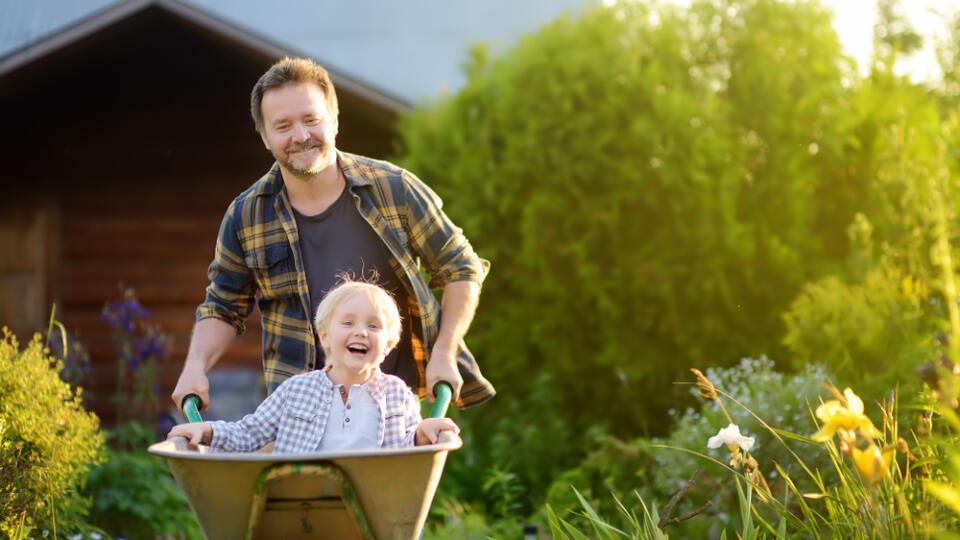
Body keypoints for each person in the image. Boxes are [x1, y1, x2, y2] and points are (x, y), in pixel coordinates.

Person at [170, 57, 495, 413]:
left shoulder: (393, 190)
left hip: (394, 411)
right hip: (298, 415)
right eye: (283, 126)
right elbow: (223, 305)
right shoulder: (247, 214)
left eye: (311, 119)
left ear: (335, 120)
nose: (300, 136)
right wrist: (194, 368)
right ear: (264, 137)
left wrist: (444, 352)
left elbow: (460, 267)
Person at [167, 280, 460, 452]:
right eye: (348, 323)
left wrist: (424, 432)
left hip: (374, 505)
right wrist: (206, 432)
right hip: (302, 504)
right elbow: (250, 432)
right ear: (325, 337)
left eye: (374, 326)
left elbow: (407, 448)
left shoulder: (396, 394)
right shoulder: (296, 391)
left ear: (388, 345)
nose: (361, 332)